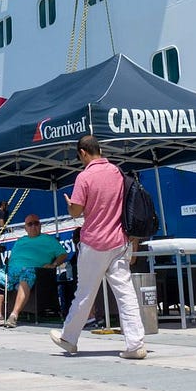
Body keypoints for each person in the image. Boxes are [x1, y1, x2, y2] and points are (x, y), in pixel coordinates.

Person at [48, 134, 148, 359]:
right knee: (126, 294)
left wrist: (70, 205)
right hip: (119, 242)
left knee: (85, 292)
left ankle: (69, 338)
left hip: (94, 243)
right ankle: (135, 345)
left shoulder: (84, 177)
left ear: (83, 153)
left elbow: (77, 211)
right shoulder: (117, 172)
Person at [0, 213, 66, 328]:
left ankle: (14, 315)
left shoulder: (49, 240)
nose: (33, 226)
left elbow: (63, 254)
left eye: (36, 223)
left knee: (26, 275)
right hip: (13, 269)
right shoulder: (20, 241)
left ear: (40, 225)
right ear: (25, 228)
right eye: (30, 224)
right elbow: (11, 258)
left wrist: (54, 264)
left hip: (33, 270)